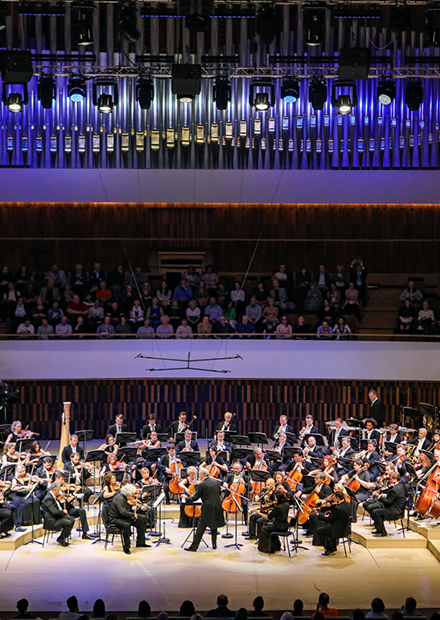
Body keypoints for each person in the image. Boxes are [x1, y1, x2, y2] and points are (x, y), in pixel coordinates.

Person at [183, 468, 225, 552]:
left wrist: (186, 498)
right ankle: (214, 545)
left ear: (202, 475)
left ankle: (194, 547)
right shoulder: (215, 482)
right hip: (217, 506)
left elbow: (195, 497)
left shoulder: (202, 484)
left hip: (207, 508)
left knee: (200, 528)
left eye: (199, 475)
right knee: (214, 525)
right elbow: (219, 494)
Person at [108, 483, 150, 554]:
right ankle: (126, 547)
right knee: (126, 525)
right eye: (132, 494)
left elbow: (130, 511)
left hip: (124, 517)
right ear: (127, 493)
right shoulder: (119, 499)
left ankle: (140, 542)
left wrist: (139, 509)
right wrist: (132, 514)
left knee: (142, 519)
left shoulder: (126, 498)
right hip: (116, 519)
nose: (133, 495)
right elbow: (123, 512)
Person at [368, 472, 407, 537]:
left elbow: (388, 503)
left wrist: (379, 496)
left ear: (395, 479)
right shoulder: (401, 486)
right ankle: (379, 530)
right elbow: (393, 497)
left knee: (375, 512)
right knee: (376, 510)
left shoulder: (394, 490)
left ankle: (382, 532)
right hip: (399, 510)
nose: (389, 480)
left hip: (394, 511)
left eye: (391, 479)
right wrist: (385, 495)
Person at [315, 490, 352, 555]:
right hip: (346, 529)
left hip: (337, 530)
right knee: (327, 527)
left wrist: (319, 515)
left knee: (319, 530)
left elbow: (328, 519)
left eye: (334, 498)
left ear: (338, 499)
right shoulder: (347, 504)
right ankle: (332, 547)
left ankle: (329, 548)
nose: (333, 499)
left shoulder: (338, 508)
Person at [41, 483, 75, 548]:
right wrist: (63, 512)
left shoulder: (53, 497)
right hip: (52, 521)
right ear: (55, 490)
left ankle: (62, 537)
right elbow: (54, 512)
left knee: (72, 519)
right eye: (59, 490)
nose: (59, 492)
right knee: (69, 522)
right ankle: (61, 538)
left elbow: (58, 508)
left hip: (56, 517)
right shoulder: (48, 499)